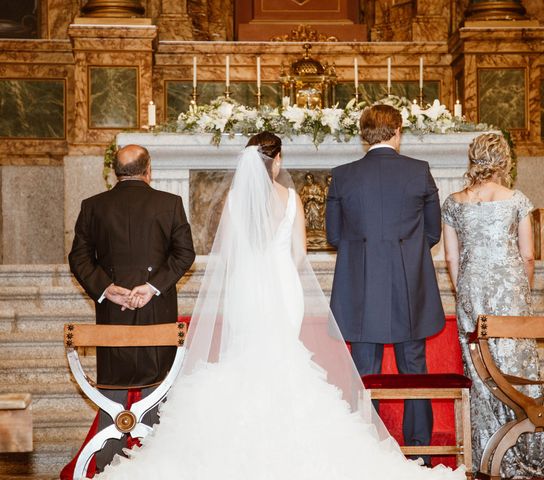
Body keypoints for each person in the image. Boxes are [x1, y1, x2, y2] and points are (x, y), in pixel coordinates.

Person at [93, 132, 464, 479]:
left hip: (246, 287)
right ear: (277, 160)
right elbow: (299, 254)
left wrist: (249, 274)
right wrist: (279, 269)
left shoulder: (236, 199)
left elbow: (228, 252)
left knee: (245, 357)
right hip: (284, 287)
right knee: (284, 357)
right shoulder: (292, 199)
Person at [326, 105, 445, 466]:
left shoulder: (343, 176)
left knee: (364, 369)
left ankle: (363, 444)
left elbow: (333, 236)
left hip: (360, 285)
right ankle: (419, 449)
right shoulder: (418, 171)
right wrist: (404, 253)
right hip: (410, 282)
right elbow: (432, 231)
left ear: (364, 135)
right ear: (397, 132)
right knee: (414, 364)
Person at [68, 144, 196, 472]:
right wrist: (153, 287)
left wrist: (106, 289)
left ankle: (108, 467)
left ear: (115, 172)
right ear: (148, 170)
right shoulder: (170, 204)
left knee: (114, 390)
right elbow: (184, 254)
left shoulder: (93, 206)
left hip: (114, 313)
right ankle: (158, 466)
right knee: (159, 389)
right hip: (158, 312)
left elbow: (78, 258)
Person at [441, 133, 544, 477]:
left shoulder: (453, 203)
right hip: (510, 289)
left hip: (471, 289)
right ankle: (527, 448)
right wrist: (522, 290)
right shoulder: (518, 200)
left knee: (480, 372)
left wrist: (462, 289)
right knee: (516, 368)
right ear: (504, 161)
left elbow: (451, 256)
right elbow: (528, 254)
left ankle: (489, 453)